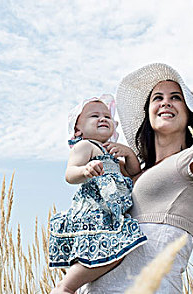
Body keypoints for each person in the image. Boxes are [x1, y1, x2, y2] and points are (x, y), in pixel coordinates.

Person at [79, 35, 193, 293]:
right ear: (148, 114)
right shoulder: (133, 173)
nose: (166, 102)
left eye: (176, 97)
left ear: (188, 111)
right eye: (157, 98)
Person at [49, 94, 148, 294]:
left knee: (114, 252)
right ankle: (65, 287)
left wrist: (128, 153)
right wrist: (85, 170)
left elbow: (133, 172)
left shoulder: (110, 151)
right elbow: (70, 173)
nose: (103, 118)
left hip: (110, 216)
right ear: (78, 130)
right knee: (105, 253)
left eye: (107, 116)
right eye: (94, 116)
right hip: (94, 215)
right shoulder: (85, 146)